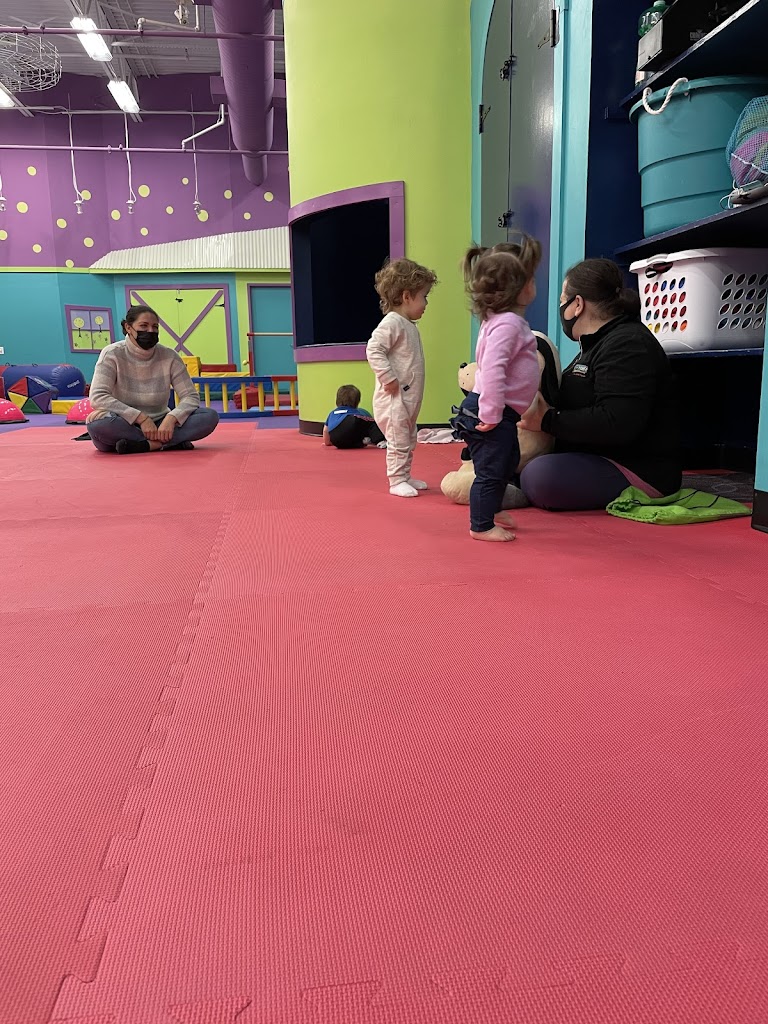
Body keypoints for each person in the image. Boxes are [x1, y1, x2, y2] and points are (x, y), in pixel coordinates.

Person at [519, 258, 681, 510]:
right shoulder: (593, 346)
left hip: (637, 468)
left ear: (577, 304)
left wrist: (548, 420)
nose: (561, 308)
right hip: (595, 457)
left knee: (539, 476)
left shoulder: (628, 344)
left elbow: (617, 422)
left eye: (562, 301)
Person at [452, 235, 542, 542]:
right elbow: (491, 369)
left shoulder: (497, 321)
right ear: (521, 288)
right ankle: (481, 525)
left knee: (507, 461)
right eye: (532, 279)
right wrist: (490, 413)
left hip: (498, 412)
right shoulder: (508, 325)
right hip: (490, 411)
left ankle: (492, 509)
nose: (534, 284)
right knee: (491, 470)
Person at [86, 305, 219, 454]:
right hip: (124, 421)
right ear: (128, 327)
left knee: (209, 417)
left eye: (155, 327)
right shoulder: (111, 354)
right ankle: (166, 443)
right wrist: (141, 418)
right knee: (98, 425)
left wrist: (172, 418)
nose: (150, 331)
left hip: (162, 423)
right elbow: (98, 397)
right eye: (144, 326)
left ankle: (142, 445)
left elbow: (190, 396)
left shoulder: (170, 356)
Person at [366, 258, 437, 497]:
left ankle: (405, 475)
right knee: (398, 440)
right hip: (394, 399)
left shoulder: (408, 324)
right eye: (424, 296)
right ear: (407, 297)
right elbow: (374, 349)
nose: (426, 303)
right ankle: (396, 480)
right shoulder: (393, 322)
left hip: (408, 399)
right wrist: (387, 377)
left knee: (408, 439)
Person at [322, 385, 386, 449]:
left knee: (358, 426)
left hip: (336, 440)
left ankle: (361, 441)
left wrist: (327, 442)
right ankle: (380, 440)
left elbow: (325, 430)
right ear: (357, 402)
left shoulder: (332, 413)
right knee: (371, 422)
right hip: (348, 422)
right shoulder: (354, 413)